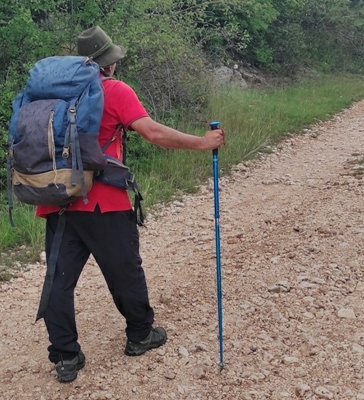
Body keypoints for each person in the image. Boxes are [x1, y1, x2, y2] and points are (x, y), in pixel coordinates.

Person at [36, 25, 225, 383]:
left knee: (59, 280)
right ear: (108, 64)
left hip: (57, 198)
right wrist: (203, 143)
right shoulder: (114, 90)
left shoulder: (54, 95)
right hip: (102, 201)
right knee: (124, 270)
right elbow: (152, 132)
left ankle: (65, 356)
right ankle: (140, 334)